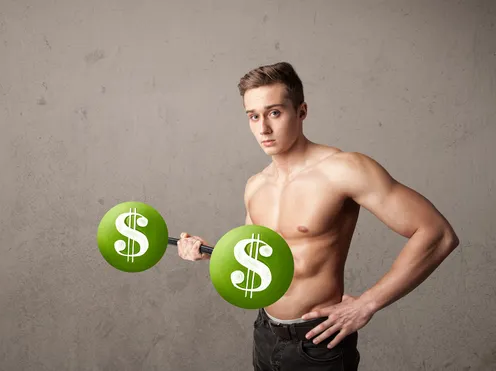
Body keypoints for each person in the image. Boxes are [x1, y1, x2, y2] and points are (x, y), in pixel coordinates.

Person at [176, 62, 460, 370]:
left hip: (318, 343)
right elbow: (261, 260)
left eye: (274, 112)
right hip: (265, 335)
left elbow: (437, 233)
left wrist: (368, 303)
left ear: (301, 111)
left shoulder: (343, 170)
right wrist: (211, 253)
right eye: (253, 116)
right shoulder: (255, 185)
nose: (263, 128)